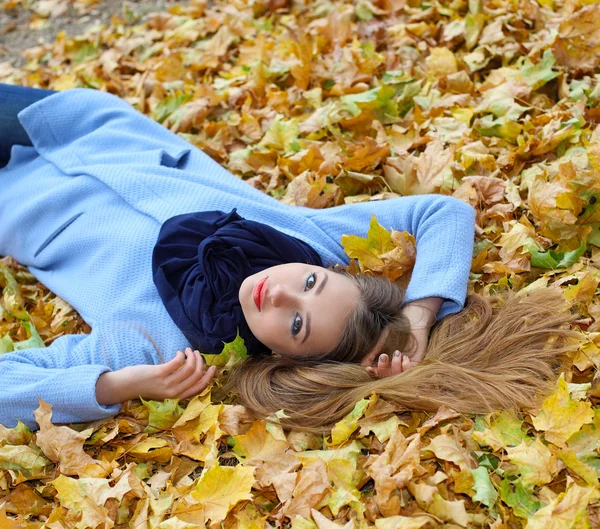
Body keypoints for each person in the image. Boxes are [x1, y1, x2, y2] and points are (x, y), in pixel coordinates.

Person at [0, 84, 575, 431]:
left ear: (283, 358)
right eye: (309, 283)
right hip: (81, 124)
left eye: (295, 323)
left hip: (12, 196)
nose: (278, 290)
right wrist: (419, 317)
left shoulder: (159, 347)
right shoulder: (300, 241)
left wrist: (117, 386)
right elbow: (443, 213)